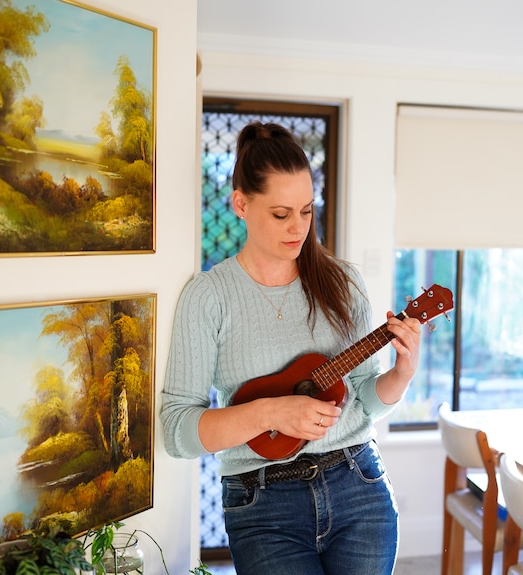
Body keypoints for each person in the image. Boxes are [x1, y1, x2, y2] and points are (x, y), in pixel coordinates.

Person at [160, 121, 421, 575]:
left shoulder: (343, 282)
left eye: (306, 210)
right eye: (281, 214)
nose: (298, 228)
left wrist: (401, 374)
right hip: (263, 504)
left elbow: (362, 400)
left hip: (359, 485)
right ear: (241, 203)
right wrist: (272, 413)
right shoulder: (209, 296)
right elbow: (178, 431)